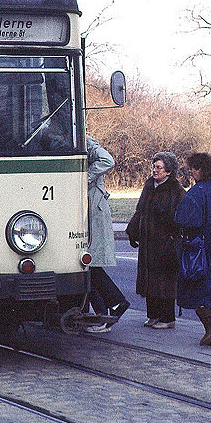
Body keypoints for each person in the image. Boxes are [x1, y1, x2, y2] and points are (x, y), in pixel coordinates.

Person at [174, 152, 211, 346]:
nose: (191, 172)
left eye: (193, 168)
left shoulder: (197, 192)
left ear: (201, 169)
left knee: (195, 289)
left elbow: (184, 220)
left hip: (200, 249)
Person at [126, 151, 185, 329]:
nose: (155, 170)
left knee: (165, 281)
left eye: (159, 167)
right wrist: (132, 231)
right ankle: (153, 315)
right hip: (148, 243)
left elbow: (180, 217)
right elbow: (140, 211)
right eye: (154, 166)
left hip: (165, 243)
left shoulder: (176, 190)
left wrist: (172, 233)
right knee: (149, 279)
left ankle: (167, 318)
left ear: (168, 171)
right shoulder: (149, 186)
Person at [82, 135, 130, 333]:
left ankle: (110, 308)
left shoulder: (84, 141)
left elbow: (107, 160)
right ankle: (109, 308)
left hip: (94, 209)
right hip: (88, 209)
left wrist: (85, 177)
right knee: (86, 266)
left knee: (88, 266)